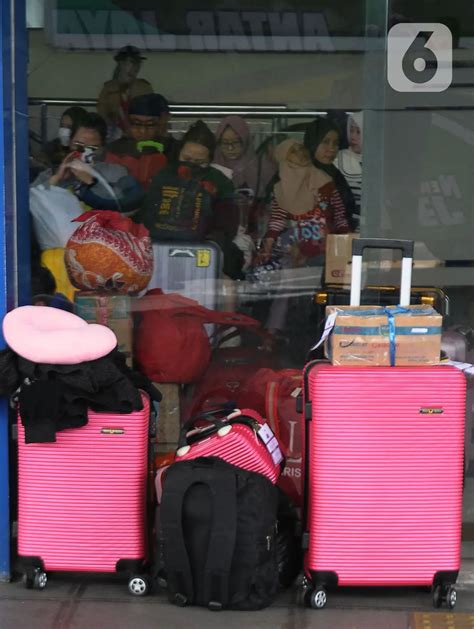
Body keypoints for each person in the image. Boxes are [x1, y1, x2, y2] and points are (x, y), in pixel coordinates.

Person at [30, 112, 144, 297]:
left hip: (105, 261)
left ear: (103, 148)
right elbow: (31, 202)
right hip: (60, 263)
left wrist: (91, 182)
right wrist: (56, 179)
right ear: (68, 143)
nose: (84, 153)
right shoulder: (52, 175)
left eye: (93, 147)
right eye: (79, 146)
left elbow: (126, 206)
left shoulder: (115, 173)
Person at [135, 120, 243, 279]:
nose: (191, 165)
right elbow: (147, 213)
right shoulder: (164, 175)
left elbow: (227, 223)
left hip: (202, 247)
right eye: (187, 158)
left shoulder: (219, 181)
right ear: (179, 152)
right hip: (158, 245)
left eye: (199, 162)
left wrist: (208, 241)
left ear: (210, 160)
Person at [260, 124, 351, 268]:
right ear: (284, 158)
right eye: (294, 152)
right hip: (291, 254)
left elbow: (339, 215)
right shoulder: (280, 188)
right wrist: (269, 242)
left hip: (324, 252)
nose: (301, 153)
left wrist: (346, 240)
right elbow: (277, 220)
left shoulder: (325, 181)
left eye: (301, 149)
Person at [106, 93, 179, 190]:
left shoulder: (177, 150)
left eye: (150, 124)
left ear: (164, 119)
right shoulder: (115, 149)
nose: (142, 131)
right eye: (136, 123)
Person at [214, 115, 277, 200]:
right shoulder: (212, 167)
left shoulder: (262, 167)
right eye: (225, 143)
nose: (230, 148)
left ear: (246, 141)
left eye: (236, 142)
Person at [97, 45, 153, 138]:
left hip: (139, 134)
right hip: (113, 136)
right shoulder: (109, 87)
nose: (134, 67)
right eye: (130, 63)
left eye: (137, 63)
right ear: (121, 64)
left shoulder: (144, 87)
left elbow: (151, 113)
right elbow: (102, 113)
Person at [334, 111, 363, 231]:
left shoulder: (381, 160)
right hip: (347, 225)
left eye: (358, 132)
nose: (353, 136)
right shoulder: (337, 160)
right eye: (351, 130)